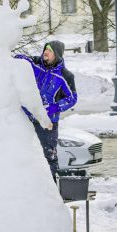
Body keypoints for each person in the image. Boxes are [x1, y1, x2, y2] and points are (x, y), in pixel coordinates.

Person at [15, 41, 78, 180]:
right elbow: (20, 59)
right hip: (27, 118)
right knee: (25, 154)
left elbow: (72, 98)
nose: (45, 52)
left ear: (57, 54)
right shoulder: (36, 63)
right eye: (45, 49)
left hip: (48, 123)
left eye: (49, 50)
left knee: (48, 156)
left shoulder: (65, 75)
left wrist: (54, 107)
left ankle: (50, 191)